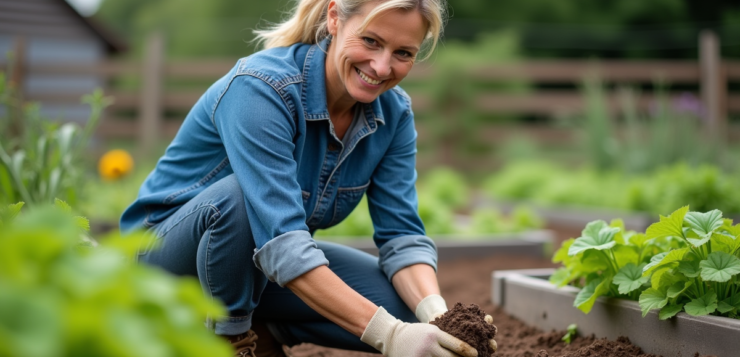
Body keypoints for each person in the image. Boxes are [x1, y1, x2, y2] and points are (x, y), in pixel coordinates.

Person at [121, 0, 494, 356]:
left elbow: (402, 235)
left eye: (403, 53)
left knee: (408, 311)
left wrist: (440, 317)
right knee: (239, 198)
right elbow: (283, 242)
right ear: (335, 18)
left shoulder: (393, 114)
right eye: (370, 41)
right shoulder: (262, 89)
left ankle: (265, 330)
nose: (382, 67)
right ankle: (227, 340)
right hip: (165, 261)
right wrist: (390, 337)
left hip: (258, 269)